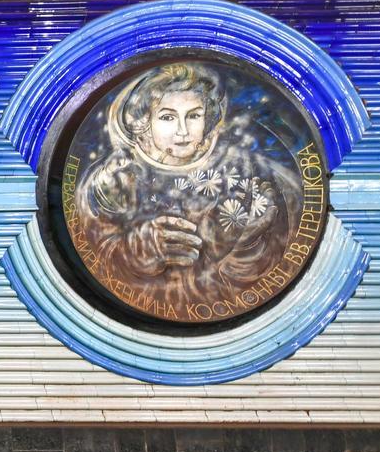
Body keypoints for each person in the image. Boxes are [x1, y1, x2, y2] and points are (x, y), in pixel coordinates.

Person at [70, 61, 304, 322]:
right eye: (167, 117)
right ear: (144, 122)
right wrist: (141, 247)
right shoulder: (117, 178)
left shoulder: (245, 169)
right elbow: (94, 252)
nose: (182, 131)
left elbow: (275, 260)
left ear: (210, 118)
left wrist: (248, 246)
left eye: (193, 116)